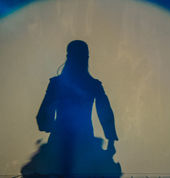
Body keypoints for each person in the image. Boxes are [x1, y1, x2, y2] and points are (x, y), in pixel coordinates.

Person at [21, 40, 121, 176]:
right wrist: (110, 139)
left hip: (60, 141)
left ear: (69, 57)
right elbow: (106, 113)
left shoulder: (56, 84)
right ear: (86, 58)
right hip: (84, 141)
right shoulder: (93, 85)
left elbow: (43, 114)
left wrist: (50, 125)